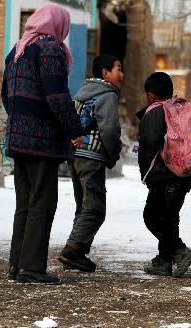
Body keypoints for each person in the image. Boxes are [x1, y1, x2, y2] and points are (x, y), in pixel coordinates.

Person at [2, 3, 84, 285]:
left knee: (25, 204)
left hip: (18, 137)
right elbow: (57, 95)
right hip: (41, 141)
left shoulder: (17, 50)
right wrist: (74, 129)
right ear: (58, 24)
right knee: (42, 203)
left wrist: (21, 122)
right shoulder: (49, 48)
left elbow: (6, 95)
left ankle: (17, 265)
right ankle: (32, 268)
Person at [57, 54, 124, 273]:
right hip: (92, 157)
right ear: (105, 73)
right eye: (118, 69)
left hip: (75, 155)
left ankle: (78, 253)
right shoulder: (108, 95)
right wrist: (113, 154)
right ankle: (73, 250)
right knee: (95, 209)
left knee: (83, 205)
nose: (121, 74)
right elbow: (110, 129)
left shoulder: (83, 93)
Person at [137, 72, 191, 277]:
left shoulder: (155, 112)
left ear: (151, 95)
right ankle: (163, 261)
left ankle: (178, 251)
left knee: (153, 216)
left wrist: (146, 175)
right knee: (169, 218)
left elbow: (149, 145)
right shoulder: (180, 108)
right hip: (185, 175)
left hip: (164, 176)